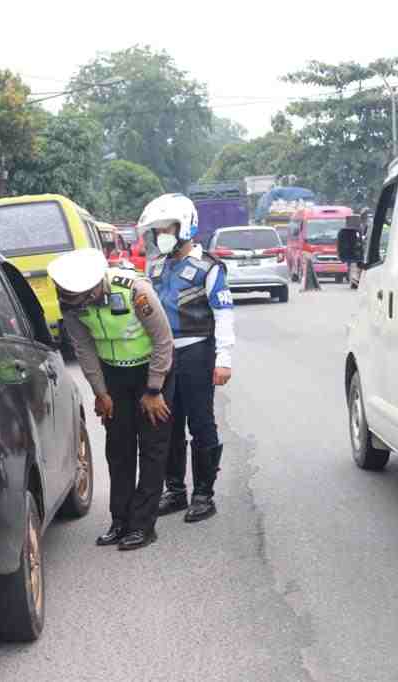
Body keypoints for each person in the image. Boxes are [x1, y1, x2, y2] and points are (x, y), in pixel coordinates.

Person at [48, 248, 175, 550]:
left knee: (152, 448)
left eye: (77, 298)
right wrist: (100, 393)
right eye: (66, 296)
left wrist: (154, 389)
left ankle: (143, 526)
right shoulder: (70, 300)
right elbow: (84, 348)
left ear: (93, 288)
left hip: (152, 371)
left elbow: (163, 340)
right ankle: (120, 521)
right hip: (113, 376)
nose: (70, 303)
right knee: (118, 448)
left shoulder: (136, 292)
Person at [137, 194, 235, 523]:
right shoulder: (154, 268)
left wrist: (224, 359)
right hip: (162, 357)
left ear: (185, 227)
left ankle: (204, 494)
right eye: (157, 231)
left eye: (166, 229)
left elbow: (223, 314)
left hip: (197, 353)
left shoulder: (208, 267)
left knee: (200, 422)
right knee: (167, 423)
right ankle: (175, 490)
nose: (160, 235)